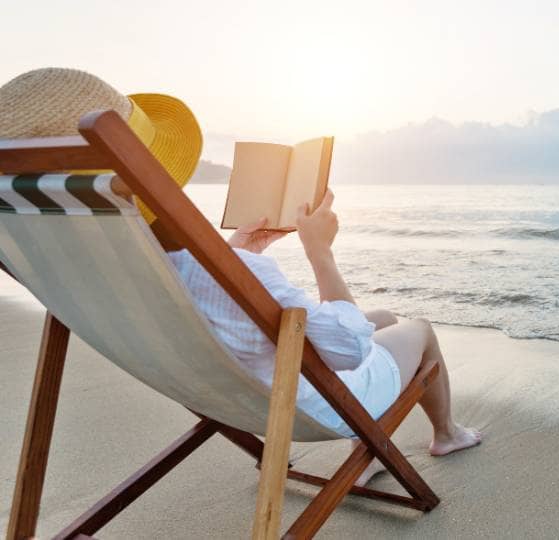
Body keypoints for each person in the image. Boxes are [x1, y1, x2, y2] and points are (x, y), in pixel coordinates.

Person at [0, 68, 481, 485]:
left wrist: (237, 256)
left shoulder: (96, 271)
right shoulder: (222, 272)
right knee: (416, 329)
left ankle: (371, 454)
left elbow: (197, 295)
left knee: (381, 316)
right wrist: (321, 252)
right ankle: (446, 435)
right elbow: (349, 348)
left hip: (215, 390)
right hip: (294, 403)